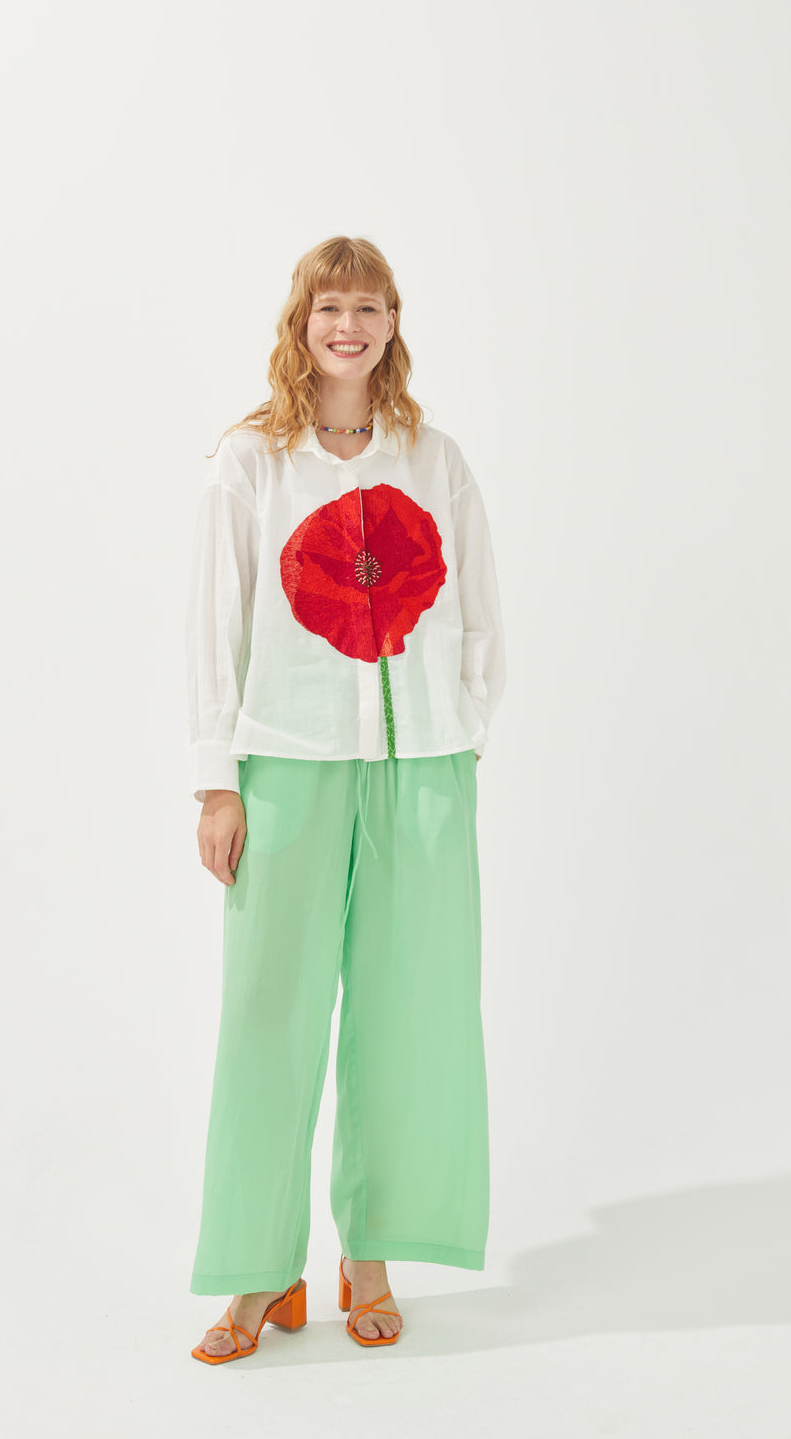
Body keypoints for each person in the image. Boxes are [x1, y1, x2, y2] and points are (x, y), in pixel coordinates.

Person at [185, 235, 506, 1363]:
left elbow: (480, 609)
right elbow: (213, 625)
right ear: (302, 322)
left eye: (369, 307)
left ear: (392, 323)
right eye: (330, 307)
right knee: (267, 1011)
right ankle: (256, 1268)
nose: (349, 327)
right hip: (284, 764)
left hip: (423, 768)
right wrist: (216, 780)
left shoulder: (433, 456)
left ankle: (368, 1254)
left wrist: (460, 729)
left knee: (409, 1009)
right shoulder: (249, 461)